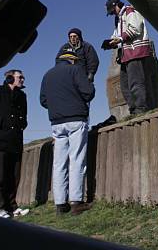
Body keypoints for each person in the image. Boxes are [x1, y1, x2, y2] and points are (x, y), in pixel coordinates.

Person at [40, 51, 95, 216]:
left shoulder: (47, 75)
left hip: (57, 123)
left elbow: (43, 100)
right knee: (77, 160)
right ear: (71, 59)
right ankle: (76, 202)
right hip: (76, 119)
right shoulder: (75, 70)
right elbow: (88, 92)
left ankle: (60, 204)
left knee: (59, 164)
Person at [0, 69, 30, 218]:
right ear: (9, 78)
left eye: (23, 77)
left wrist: (22, 124)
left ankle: (12, 207)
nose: (22, 79)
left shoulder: (22, 96)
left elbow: (24, 116)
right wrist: (2, 123)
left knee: (14, 176)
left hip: (15, 141)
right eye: (19, 77)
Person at [104, 0, 158, 114]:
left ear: (116, 5)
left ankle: (141, 108)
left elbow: (135, 29)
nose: (112, 14)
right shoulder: (119, 19)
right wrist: (111, 42)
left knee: (136, 82)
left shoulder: (130, 12)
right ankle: (133, 109)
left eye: (112, 11)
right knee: (125, 84)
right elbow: (116, 34)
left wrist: (120, 39)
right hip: (125, 54)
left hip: (135, 52)